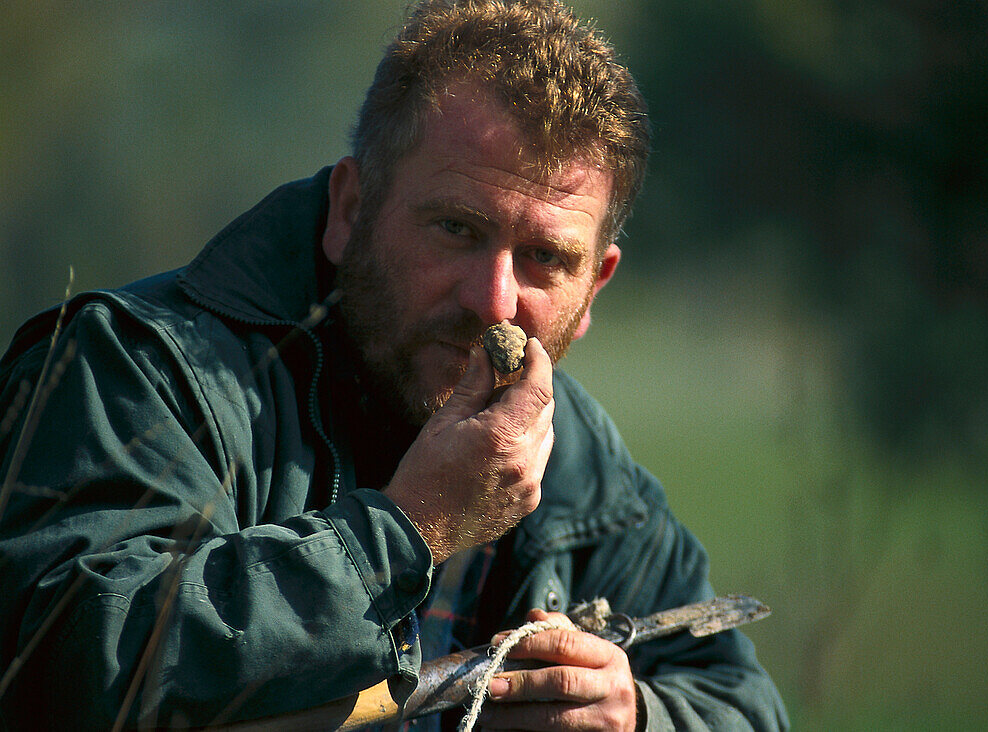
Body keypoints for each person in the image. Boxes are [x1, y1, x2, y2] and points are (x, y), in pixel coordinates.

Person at [0, 1, 787, 729]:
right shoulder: (134, 371)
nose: (495, 302)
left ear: (594, 288)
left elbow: (740, 701)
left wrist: (638, 717)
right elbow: (71, 669)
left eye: (545, 257)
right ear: (351, 210)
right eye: (455, 228)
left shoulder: (579, 461)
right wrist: (411, 527)